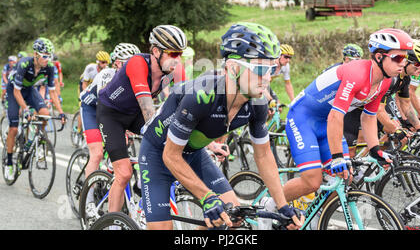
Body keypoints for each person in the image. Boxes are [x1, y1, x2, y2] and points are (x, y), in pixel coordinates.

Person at [139, 22, 304, 230]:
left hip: (194, 154)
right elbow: (171, 156)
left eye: (272, 69)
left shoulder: (258, 102)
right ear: (233, 68)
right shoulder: (201, 96)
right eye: (260, 69)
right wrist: (207, 197)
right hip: (158, 153)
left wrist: (282, 206)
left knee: (231, 218)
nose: (268, 77)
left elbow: (263, 155)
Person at [283, 28, 413, 204]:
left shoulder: (385, 81)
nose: (403, 64)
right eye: (398, 58)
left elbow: (368, 117)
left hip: (325, 122)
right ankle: (271, 205)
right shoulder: (356, 74)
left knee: (346, 177)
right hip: (302, 118)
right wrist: (337, 157)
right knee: (312, 182)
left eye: (405, 59)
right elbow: (336, 116)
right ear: (380, 57)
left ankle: (316, 215)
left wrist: (375, 149)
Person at [97, 25, 187, 214]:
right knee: (123, 173)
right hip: (112, 114)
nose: (177, 60)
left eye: (180, 54)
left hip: (134, 113)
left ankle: (142, 192)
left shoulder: (177, 69)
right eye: (172, 53)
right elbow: (146, 108)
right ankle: (112, 223)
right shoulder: (137, 63)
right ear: (155, 51)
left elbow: (186, 107)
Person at [4, 38, 66, 180]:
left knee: (45, 114)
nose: (47, 59)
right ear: (35, 54)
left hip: (29, 90)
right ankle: (9, 163)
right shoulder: (24, 63)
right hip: (15, 90)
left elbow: (52, 92)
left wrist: (61, 112)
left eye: (49, 56)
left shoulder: (49, 67)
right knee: (13, 128)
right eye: (45, 56)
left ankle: (35, 140)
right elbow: (16, 92)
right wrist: (26, 110)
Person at [80, 43, 141, 180]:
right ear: (118, 64)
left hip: (111, 113)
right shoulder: (107, 75)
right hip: (92, 109)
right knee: (97, 154)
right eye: (130, 63)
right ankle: (88, 197)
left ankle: (108, 175)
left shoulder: (135, 78)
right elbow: (106, 105)